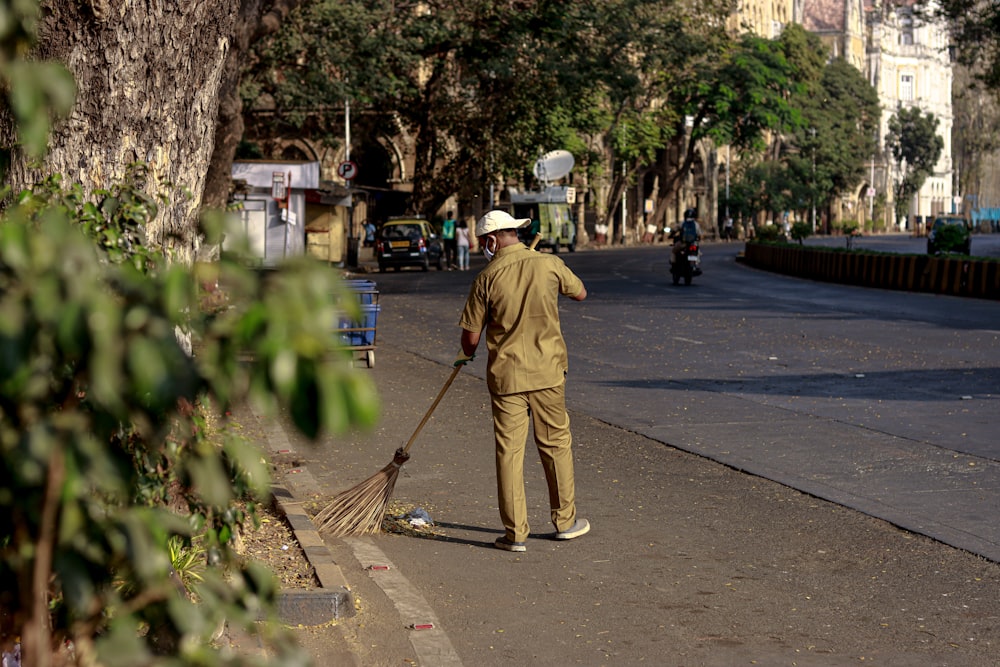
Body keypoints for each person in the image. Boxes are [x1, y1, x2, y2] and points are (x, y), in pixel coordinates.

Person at [455, 209, 590, 553]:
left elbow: (470, 337)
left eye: (483, 242)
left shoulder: (486, 278)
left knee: (509, 453)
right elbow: (580, 294)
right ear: (513, 233)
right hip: (548, 372)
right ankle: (565, 522)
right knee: (555, 444)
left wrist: (467, 353)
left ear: (490, 241)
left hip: (507, 377)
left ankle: (515, 533)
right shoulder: (548, 263)